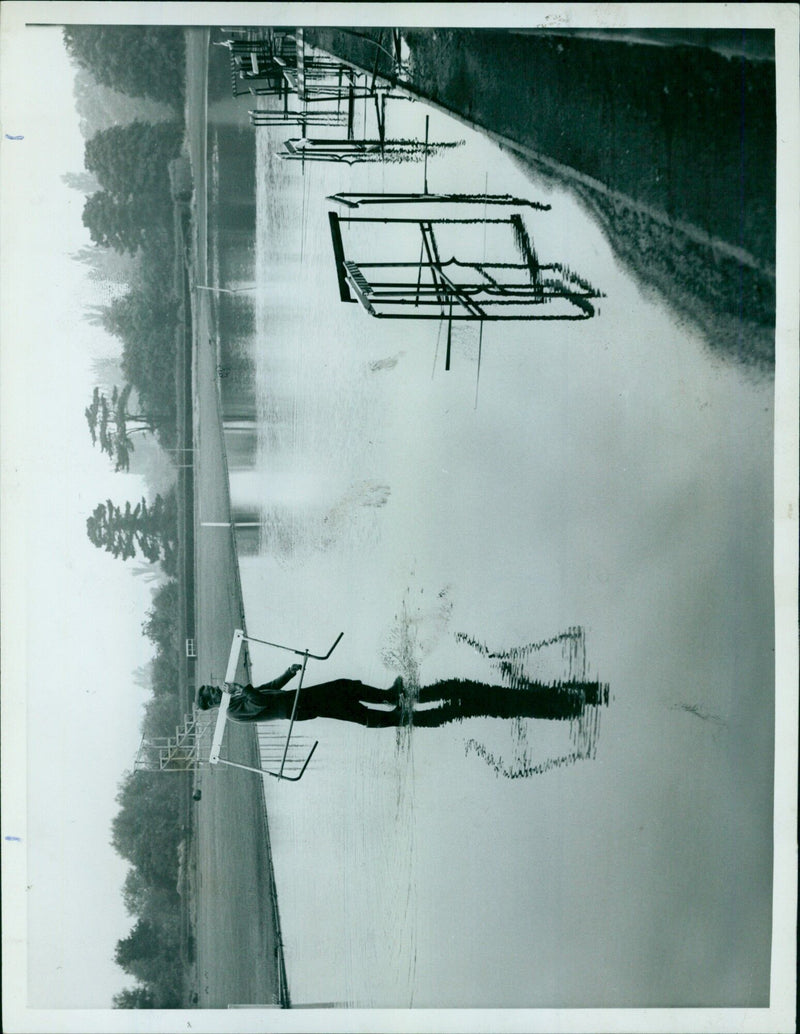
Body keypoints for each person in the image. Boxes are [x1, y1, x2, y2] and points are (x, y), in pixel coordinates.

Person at [197, 665, 608, 728]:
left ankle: (394, 700)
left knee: (345, 689)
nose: (219, 689)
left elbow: (271, 689)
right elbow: (264, 703)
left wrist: (288, 671)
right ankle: (400, 715)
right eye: (213, 693)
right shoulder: (233, 714)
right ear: (213, 702)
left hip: (295, 697)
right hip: (295, 710)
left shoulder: (236, 698)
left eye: (215, 687)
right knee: (349, 706)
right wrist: (241, 691)